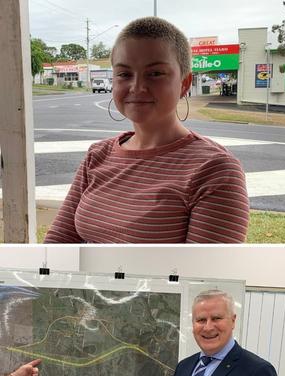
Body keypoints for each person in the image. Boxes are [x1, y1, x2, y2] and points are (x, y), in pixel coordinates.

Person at [44, 17, 249, 243]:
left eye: (155, 73)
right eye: (124, 74)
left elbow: (206, 275)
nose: (137, 87)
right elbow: (59, 243)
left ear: (184, 83)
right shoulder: (97, 155)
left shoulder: (215, 169)